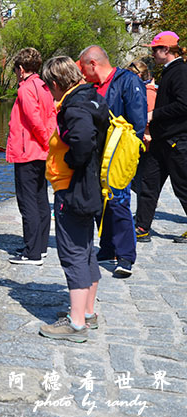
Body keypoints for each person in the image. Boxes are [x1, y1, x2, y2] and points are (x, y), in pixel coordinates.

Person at [39, 55, 110, 342]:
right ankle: (88, 312)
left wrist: (68, 158)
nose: (50, 93)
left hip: (74, 189)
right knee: (85, 249)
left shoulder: (74, 106)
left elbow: (81, 141)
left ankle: (77, 324)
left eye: (50, 87)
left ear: (56, 83)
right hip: (91, 186)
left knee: (73, 255)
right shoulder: (92, 97)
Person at [78, 45, 147, 277]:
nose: (82, 73)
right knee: (100, 202)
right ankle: (107, 248)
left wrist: (128, 154)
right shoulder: (92, 87)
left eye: (83, 67)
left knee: (119, 201)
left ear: (93, 64)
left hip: (118, 153)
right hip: (97, 154)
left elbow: (137, 122)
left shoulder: (127, 81)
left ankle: (125, 256)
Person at [6, 47, 57, 265]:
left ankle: (32, 253)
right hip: (41, 152)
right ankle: (40, 246)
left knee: (28, 203)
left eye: (16, 70)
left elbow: (35, 119)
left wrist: (44, 140)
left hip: (28, 152)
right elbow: (52, 116)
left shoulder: (26, 89)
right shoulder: (43, 86)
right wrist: (49, 145)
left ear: (20, 69)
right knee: (40, 200)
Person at [135, 31, 187, 244]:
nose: (153, 53)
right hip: (161, 140)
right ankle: (141, 227)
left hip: (177, 140)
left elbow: (184, 105)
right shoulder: (170, 71)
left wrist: (153, 115)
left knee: (183, 186)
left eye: (156, 49)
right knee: (148, 183)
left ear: (166, 50)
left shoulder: (180, 72)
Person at [126, 60, 157, 193]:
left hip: (145, 141)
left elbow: (148, 116)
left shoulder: (148, 92)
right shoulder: (139, 90)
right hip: (137, 139)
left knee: (141, 179)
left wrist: (146, 131)